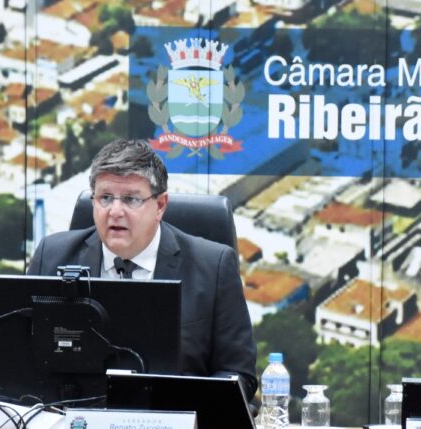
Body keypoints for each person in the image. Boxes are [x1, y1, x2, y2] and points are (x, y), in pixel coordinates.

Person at [28, 139, 257, 398]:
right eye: (105, 198)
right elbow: (22, 359)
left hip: (175, 426)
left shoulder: (212, 266)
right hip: (75, 425)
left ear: (160, 205)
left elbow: (239, 374)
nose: (115, 211)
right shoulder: (53, 257)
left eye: (131, 199)